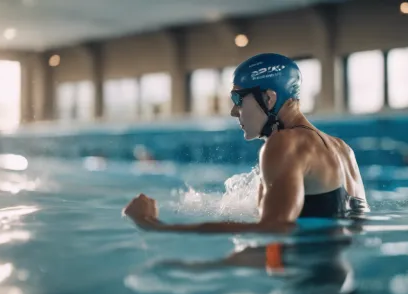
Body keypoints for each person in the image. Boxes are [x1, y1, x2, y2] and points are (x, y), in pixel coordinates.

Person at [123, 53, 370, 234]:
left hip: (309, 284)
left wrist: (152, 224)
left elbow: (273, 230)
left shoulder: (286, 143)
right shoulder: (341, 148)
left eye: (238, 99)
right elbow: (356, 228)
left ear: (269, 98)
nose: (233, 111)